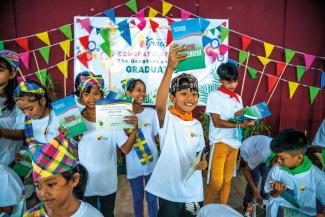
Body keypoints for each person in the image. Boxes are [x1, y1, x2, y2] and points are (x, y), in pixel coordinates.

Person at [145, 44, 207, 217]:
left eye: (194, 94)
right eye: (184, 93)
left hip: (193, 191)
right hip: (169, 191)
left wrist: (202, 163)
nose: (190, 98)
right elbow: (159, 106)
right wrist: (170, 68)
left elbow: (199, 153)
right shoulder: (167, 119)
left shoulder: (196, 124)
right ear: (172, 98)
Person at [73, 71, 138, 217]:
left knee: (108, 213)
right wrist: (67, 139)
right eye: (86, 94)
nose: (91, 98)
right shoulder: (76, 122)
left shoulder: (111, 118)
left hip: (108, 183)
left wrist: (134, 130)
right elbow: (72, 153)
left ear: (102, 95)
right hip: (85, 184)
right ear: (81, 99)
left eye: (96, 93)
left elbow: (126, 149)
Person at [204, 62, 254, 205]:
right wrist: (239, 124)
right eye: (228, 82)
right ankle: (204, 210)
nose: (232, 85)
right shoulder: (214, 95)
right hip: (220, 141)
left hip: (234, 143)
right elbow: (217, 122)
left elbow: (236, 115)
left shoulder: (238, 97)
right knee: (216, 182)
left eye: (235, 81)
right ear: (220, 80)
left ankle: (222, 209)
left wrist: (247, 116)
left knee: (227, 181)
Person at [23, 134, 103, 217]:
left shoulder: (92, 215)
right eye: (38, 186)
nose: (43, 193)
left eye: (50, 184)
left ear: (74, 179)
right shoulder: (30, 215)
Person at [264, 129, 325, 217]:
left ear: (299, 158)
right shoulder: (277, 169)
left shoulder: (318, 177)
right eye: (277, 156)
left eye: (282, 158)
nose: (277, 160)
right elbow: (271, 195)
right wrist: (277, 191)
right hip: (276, 212)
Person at [122, 78, 158, 217]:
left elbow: (156, 137)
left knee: (152, 200)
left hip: (152, 163)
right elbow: (123, 144)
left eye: (143, 90)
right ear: (128, 93)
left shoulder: (151, 113)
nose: (142, 93)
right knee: (137, 200)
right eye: (138, 90)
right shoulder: (122, 116)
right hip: (134, 165)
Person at [239, 135, 276, 216]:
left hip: (262, 153)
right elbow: (246, 170)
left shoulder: (282, 155)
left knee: (266, 182)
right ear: (276, 159)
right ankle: (247, 207)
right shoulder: (263, 154)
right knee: (254, 177)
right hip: (248, 151)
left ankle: (261, 210)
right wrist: (255, 191)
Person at [14, 80, 59, 145]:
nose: (26, 114)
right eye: (22, 110)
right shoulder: (24, 120)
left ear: (42, 101)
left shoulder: (59, 117)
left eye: (30, 109)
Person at [0, 50, 25, 166]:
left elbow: (23, 133)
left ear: (12, 74)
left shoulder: (20, 100)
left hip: (11, 161)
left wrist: (1, 132)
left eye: (0, 70)